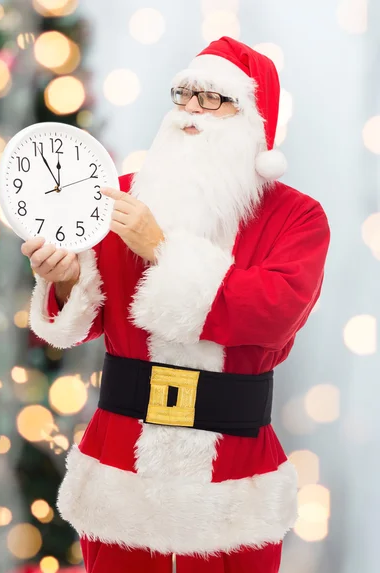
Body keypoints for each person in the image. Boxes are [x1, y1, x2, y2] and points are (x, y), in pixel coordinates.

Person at [21, 37, 330, 573]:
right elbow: (80, 324)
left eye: (212, 98)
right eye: (184, 93)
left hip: (233, 480)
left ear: (254, 119)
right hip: (122, 472)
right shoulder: (121, 200)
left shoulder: (297, 218)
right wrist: (67, 280)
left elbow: (275, 314)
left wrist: (162, 249)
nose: (190, 108)